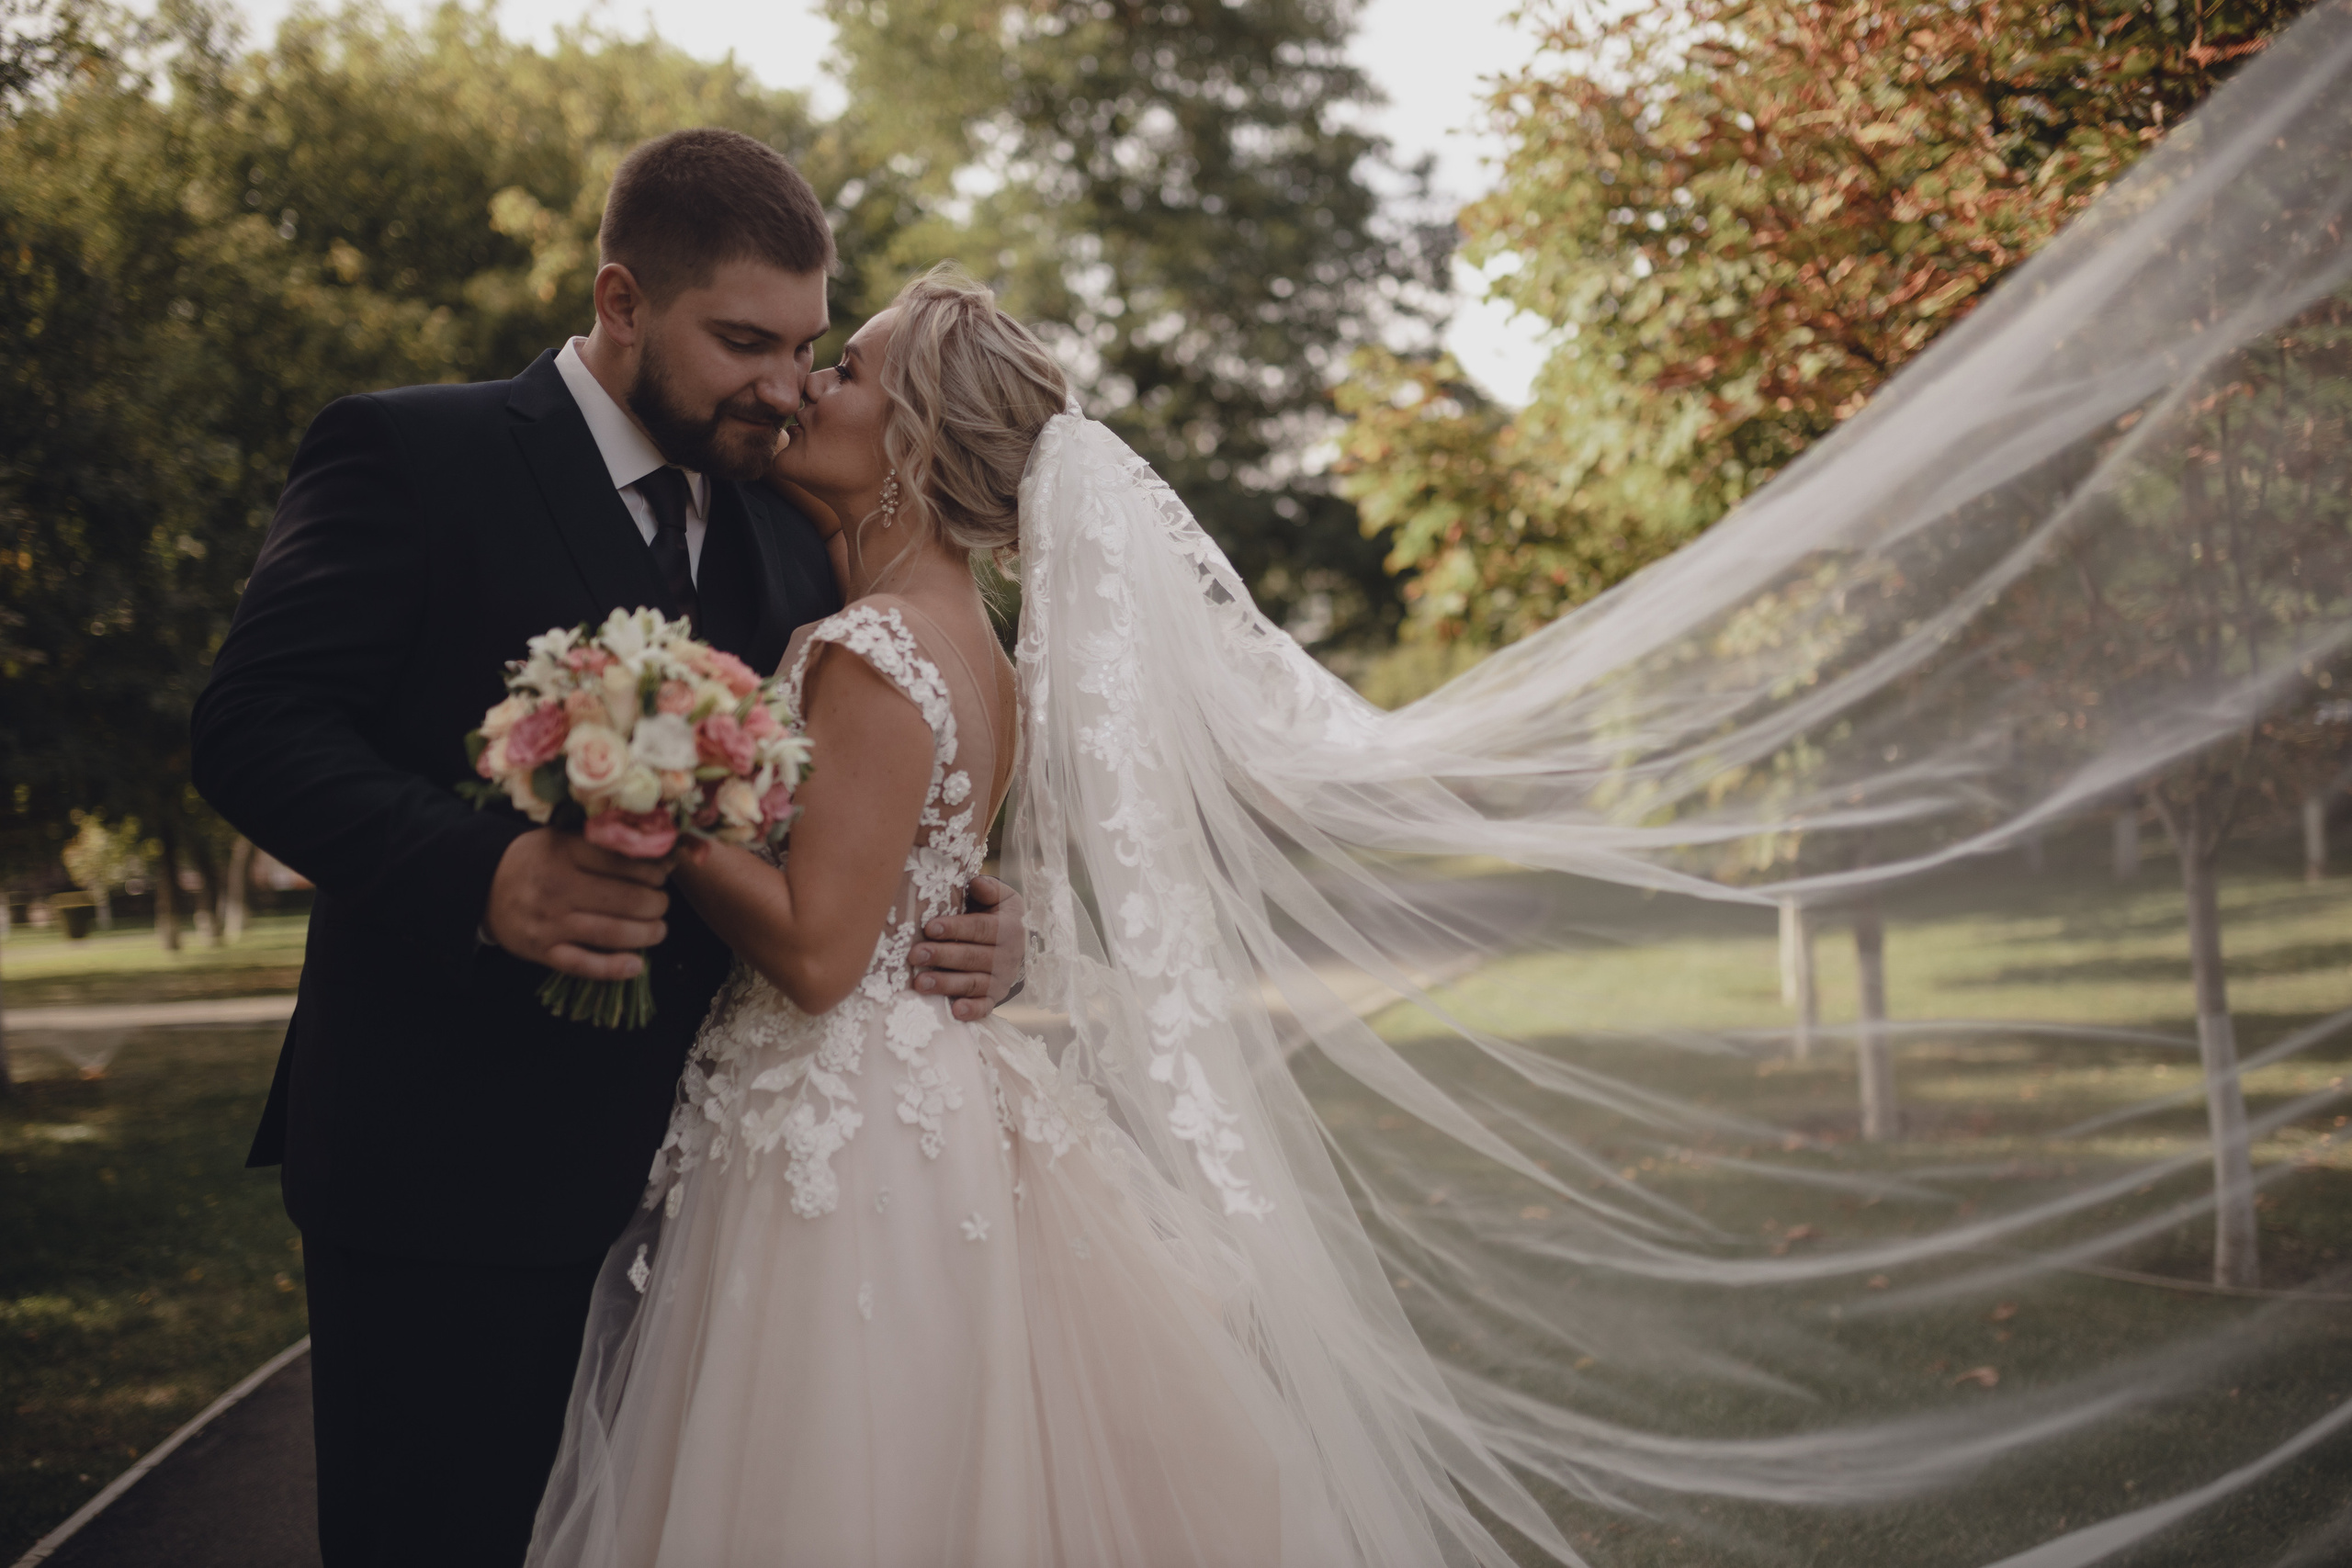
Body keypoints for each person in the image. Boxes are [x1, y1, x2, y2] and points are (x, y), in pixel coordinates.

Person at [189, 131, 1019, 1568]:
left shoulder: (793, 524)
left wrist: (982, 914)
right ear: (623, 301)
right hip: (451, 1164)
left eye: (808, 345)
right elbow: (253, 726)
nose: (782, 385)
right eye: (743, 342)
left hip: (727, 1199)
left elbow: (875, 788)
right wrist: (484, 875)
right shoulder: (411, 452)